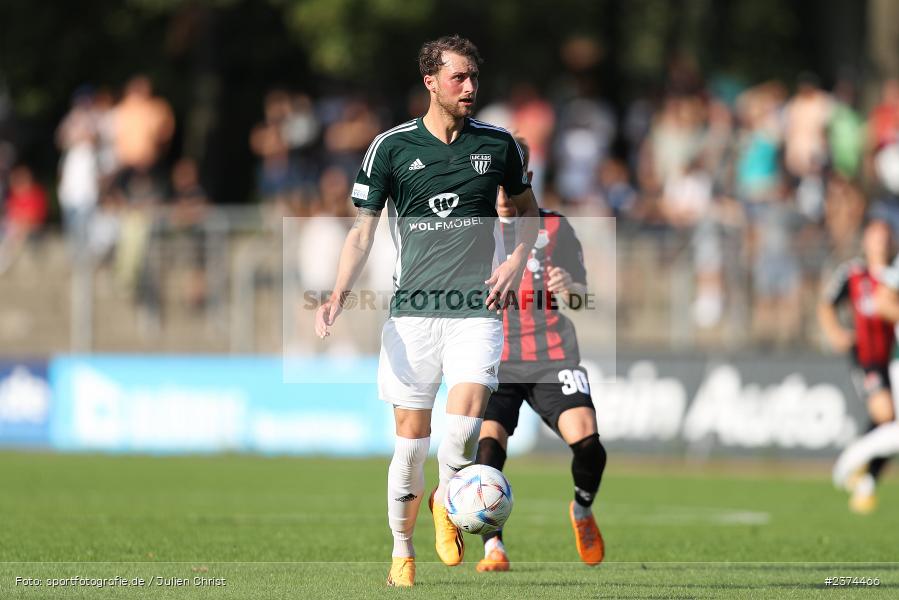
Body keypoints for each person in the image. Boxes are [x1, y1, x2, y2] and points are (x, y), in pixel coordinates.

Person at [313, 35, 539, 588]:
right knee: (411, 447)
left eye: (474, 78)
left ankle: (449, 498)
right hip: (412, 315)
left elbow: (529, 215)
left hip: (476, 313)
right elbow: (362, 234)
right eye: (459, 77)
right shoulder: (390, 147)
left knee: (460, 432)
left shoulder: (499, 145)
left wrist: (515, 259)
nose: (470, 87)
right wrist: (338, 291)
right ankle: (401, 552)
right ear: (431, 82)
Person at [474, 138, 606, 572]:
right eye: (496, 185)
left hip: (552, 357)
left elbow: (585, 299)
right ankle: (494, 546)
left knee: (588, 444)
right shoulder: (476, 229)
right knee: (490, 445)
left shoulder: (555, 227)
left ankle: (582, 511)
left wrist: (572, 290)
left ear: (526, 180)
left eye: (511, 186)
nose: (502, 196)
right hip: (497, 358)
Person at [819, 218, 895, 513]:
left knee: (889, 424)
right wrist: (835, 331)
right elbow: (826, 303)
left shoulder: (893, 274)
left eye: (886, 236)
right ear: (865, 240)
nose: (882, 243)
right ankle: (857, 463)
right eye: (876, 237)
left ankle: (867, 479)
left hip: (892, 357)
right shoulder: (853, 273)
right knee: (885, 414)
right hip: (866, 357)